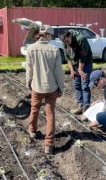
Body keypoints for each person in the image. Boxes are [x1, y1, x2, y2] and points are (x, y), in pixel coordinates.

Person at [26, 25, 64, 154]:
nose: (51, 38)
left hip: (36, 87)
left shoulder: (30, 49)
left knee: (34, 109)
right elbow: (58, 72)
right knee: (50, 114)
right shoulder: (54, 50)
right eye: (51, 36)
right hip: (51, 87)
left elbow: (29, 69)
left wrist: (28, 83)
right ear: (47, 35)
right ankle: (49, 144)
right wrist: (61, 87)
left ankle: (32, 131)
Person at [60, 30, 93, 114]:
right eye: (64, 42)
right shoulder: (64, 41)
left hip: (85, 62)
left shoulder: (81, 39)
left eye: (67, 41)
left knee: (85, 85)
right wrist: (72, 70)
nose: (66, 43)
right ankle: (80, 105)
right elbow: (67, 57)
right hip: (75, 63)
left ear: (70, 36)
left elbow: (83, 56)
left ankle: (86, 109)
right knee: (76, 85)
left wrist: (80, 69)